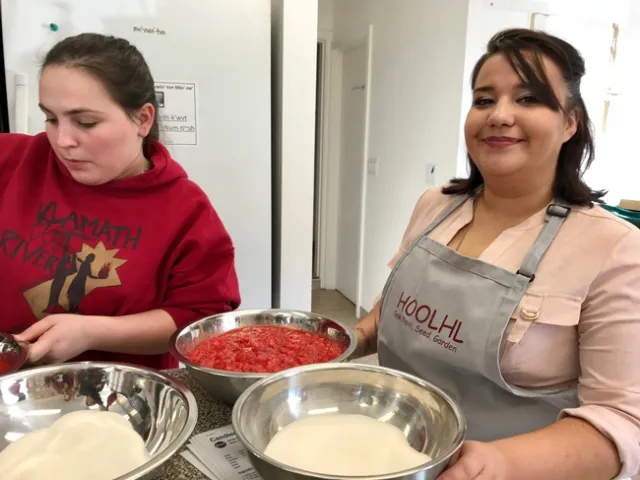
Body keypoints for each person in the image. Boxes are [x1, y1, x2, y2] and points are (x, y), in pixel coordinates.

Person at [353, 28, 640, 480]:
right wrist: (343, 341)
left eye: (528, 99)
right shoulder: (435, 205)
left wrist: (502, 463)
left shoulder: (614, 248)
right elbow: (390, 311)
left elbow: (623, 423)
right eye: (484, 100)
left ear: (571, 122)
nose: (499, 115)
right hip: (390, 449)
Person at [0, 33, 241, 370]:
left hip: (121, 399)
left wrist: (92, 332)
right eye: (51, 119)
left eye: (86, 122)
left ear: (143, 119)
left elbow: (200, 320)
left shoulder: (185, 210)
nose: (62, 141)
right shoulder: (12, 160)